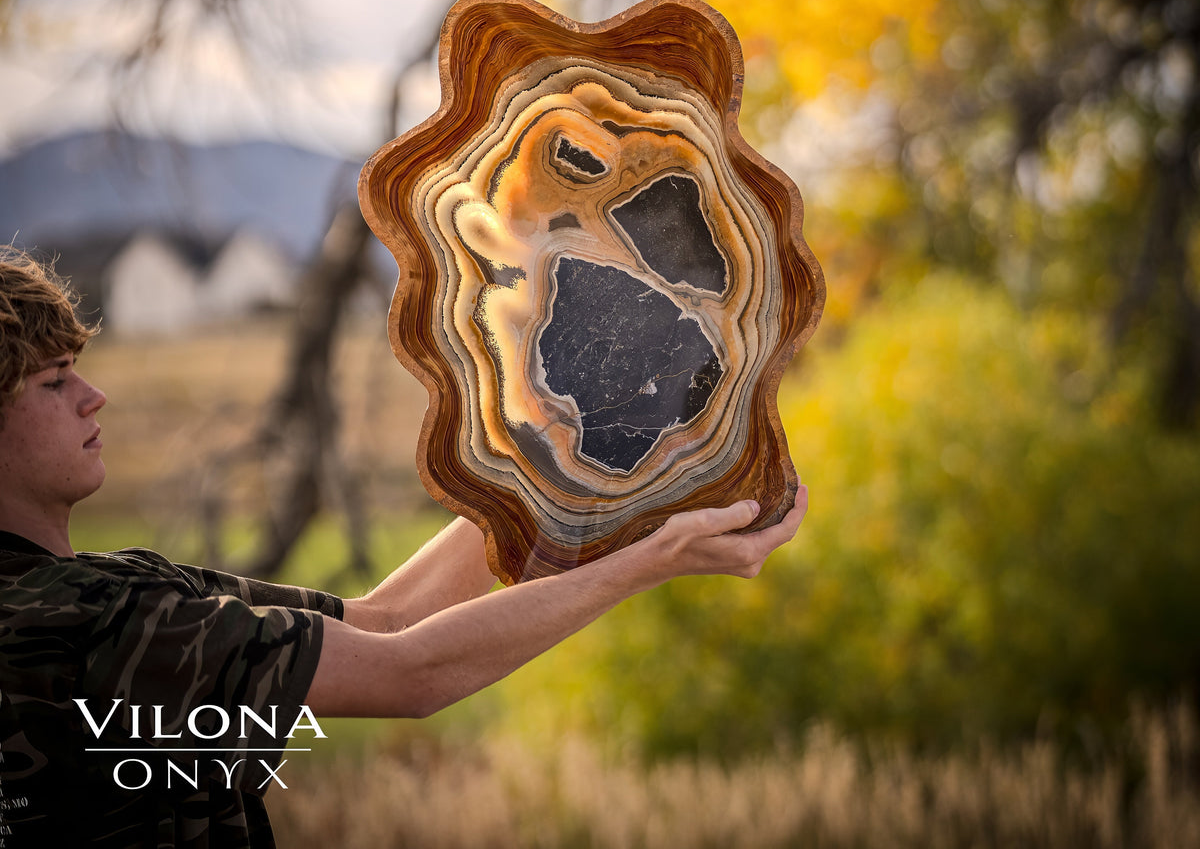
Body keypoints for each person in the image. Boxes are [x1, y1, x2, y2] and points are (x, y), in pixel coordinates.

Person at [0, 247, 807, 848]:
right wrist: (651, 560)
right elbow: (412, 671)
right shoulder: (99, 619)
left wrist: (561, 440)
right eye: (52, 380)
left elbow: (388, 619)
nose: (93, 394)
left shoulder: (116, 591)